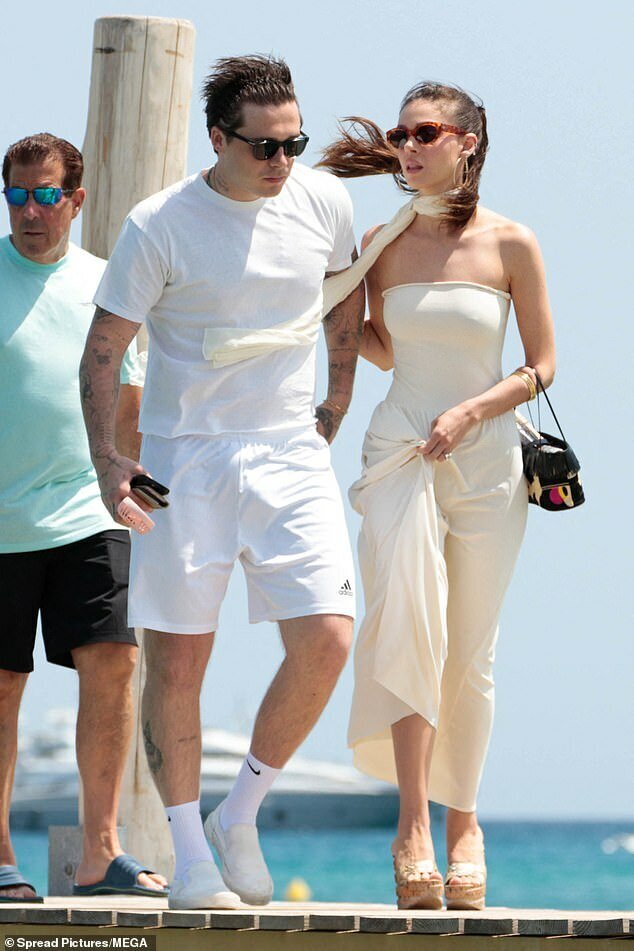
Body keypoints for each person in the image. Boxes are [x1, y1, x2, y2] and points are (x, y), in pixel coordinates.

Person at [79, 55, 364, 911]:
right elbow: (102, 351)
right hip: (182, 459)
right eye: (264, 147)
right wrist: (108, 459)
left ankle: (239, 812)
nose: (282, 162)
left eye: (294, 144)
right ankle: (191, 856)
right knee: (178, 660)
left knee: (330, 635)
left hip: (290, 451)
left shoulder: (325, 202)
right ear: (217, 139)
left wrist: (337, 399)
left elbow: (344, 295)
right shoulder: (159, 222)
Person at [319, 82, 556, 910]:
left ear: (467, 142)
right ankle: (413, 824)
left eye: (424, 132)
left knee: (470, 652)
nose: (407, 148)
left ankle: (466, 822)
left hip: (486, 461)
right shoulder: (382, 243)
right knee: (409, 626)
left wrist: (472, 410)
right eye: (399, 134)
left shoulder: (511, 241)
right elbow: (385, 349)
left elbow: (543, 365)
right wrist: (328, 297)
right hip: (402, 451)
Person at [0, 133, 167, 900]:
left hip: (85, 509)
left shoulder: (108, 283)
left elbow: (129, 402)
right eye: (16, 195)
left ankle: (100, 852)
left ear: (76, 199)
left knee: (114, 661)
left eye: (46, 195)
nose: (30, 211)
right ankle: (1, 857)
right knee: (4, 683)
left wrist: (136, 486)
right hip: (2, 524)